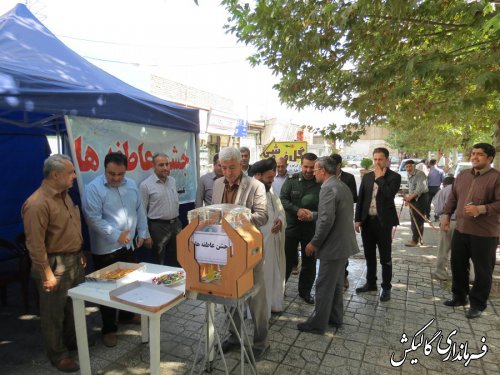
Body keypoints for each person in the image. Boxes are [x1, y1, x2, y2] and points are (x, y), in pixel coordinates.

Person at [21, 154, 85, 372]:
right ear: (56, 174)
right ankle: (58, 354)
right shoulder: (37, 203)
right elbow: (35, 245)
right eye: (71, 172)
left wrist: (80, 251)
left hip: (73, 259)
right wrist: (47, 273)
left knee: (72, 306)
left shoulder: (65, 195)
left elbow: (70, 227)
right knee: (53, 313)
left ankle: (71, 343)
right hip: (53, 263)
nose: (75, 177)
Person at [82, 152, 151, 348]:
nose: (116, 178)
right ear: (104, 169)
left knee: (129, 283)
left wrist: (143, 232)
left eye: (120, 174)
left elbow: (140, 211)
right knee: (106, 289)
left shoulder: (131, 186)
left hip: (128, 245)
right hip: (106, 249)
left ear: (126, 171)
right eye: (112, 174)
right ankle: (109, 328)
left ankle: (127, 315)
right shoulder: (93, 188)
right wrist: (115, 235)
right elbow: (93, 219)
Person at [211, 147, 269, 361]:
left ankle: (261, 342)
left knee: (256, 298)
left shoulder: (256, 186)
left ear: (241, 165)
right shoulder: (217, 184)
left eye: (232, 168)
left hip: (248, 250)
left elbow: (262, 217)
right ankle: (234, 337)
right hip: (223, 249)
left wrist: (237, 218)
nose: (227, 172)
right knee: (229, 294)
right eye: (223, 168)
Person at [297, 157, 359, 334]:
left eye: (315, 170)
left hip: (333, 246)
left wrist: (314, 243)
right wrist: (312, 215)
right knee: (336, 284)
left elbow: (326, 221)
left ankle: (317, 324)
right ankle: (335, 317)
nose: (313, 173)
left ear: (323, 171)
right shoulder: (340, 185)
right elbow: (331, 215)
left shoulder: (327, 188)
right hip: (342, 244)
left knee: (324, 285)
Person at [441, 143, 499, 319]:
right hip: (461, 228)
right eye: (473, 153)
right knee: (457, 264)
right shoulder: (463, 175)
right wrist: (445, 215)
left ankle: (478, 304)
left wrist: (481, 209)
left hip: (485, 233)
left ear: (490, 158)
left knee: (483, 270)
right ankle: (459, 297)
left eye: (479, 154)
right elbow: (453, 197)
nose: (474, 157)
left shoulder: (496, 178)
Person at [355, 148, 401, 302]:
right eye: (375, 159)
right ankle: (371, 283)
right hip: (368, 222)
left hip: (384, 223)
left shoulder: (394, 177)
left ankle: (386, 287)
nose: (377, 162)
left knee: (385, 258)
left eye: (380, 159)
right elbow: (361, 199)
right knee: (369, 255)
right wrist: (357, 219)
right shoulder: (367, 177)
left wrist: (380, 178)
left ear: (387, 160)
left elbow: (389, 194)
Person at [280, 153, 321, 305]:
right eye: (306, 166)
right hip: (291, 227)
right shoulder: (291, 181)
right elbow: (283, 199)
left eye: (312, 167)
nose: (309, 170)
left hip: (311, 229)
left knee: (309, 262)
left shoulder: (320, 182)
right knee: (287, 260)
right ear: (300, 164)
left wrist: (311, 215)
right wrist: (297, 210)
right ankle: (279, 289)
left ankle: (305, 292)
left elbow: (325, 206)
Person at [253, 158, 287, 316]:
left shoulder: (270, 190)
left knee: (273, 274)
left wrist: (280, 220)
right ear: (258, 175)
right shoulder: (249, 193)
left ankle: (273, 304)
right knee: (261, 278)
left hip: (273, 243)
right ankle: (260, 311)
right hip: (258, 245)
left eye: (273, 178)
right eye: (269, 178)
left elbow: (280, 210)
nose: (272, 181)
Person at [140, 152, 181, 266]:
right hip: (158, 228)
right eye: (161, 165)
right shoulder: (145, 185)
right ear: (153, 166)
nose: (165, 168)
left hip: (175, 225)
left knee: (178, 258)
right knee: (159, 261)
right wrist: (146, 235)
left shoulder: (172, 180)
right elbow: (142, 212)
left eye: (167, 164)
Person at [331, 153, 357, 291]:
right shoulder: (326, 177)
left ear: (339, 165)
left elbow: (354, 197)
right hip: (329, 217)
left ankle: (343, 275)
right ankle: (332, 275)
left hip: (343, 218)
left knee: (343, 247)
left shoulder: (349, 178)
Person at [431, 176, 455, 281]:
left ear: (444, 184)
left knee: (444, 248)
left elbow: (438, 209)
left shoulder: (443, 191)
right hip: (465, 223)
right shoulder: (465, 189)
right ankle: (472, 275)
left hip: (448, 221)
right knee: (467, 250)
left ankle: (441, 273)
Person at [403, 160, 429, 246]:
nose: (408, 168)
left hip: (421, 198)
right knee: (414, 219)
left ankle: (415, 240)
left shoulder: (420, 174)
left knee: (417, 220)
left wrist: (409, 198)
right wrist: (408, 199)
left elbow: (419, 189)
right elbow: (411, 189)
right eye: (407, 167)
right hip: (414, 199)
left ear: (414, 166)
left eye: (410, 166)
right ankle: (418, 239)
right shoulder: (409, 174)